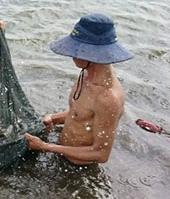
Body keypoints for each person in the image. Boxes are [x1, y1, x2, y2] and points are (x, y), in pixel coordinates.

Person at [23, 13, 134, 165]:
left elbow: (101, 153)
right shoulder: (87, 73)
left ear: (94, 53)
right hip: (61, 148)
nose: (73, 55)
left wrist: (46, 147)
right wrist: (54, 119)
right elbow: (82, 113)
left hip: (78, 167)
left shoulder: (108, 98)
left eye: (77, 50)